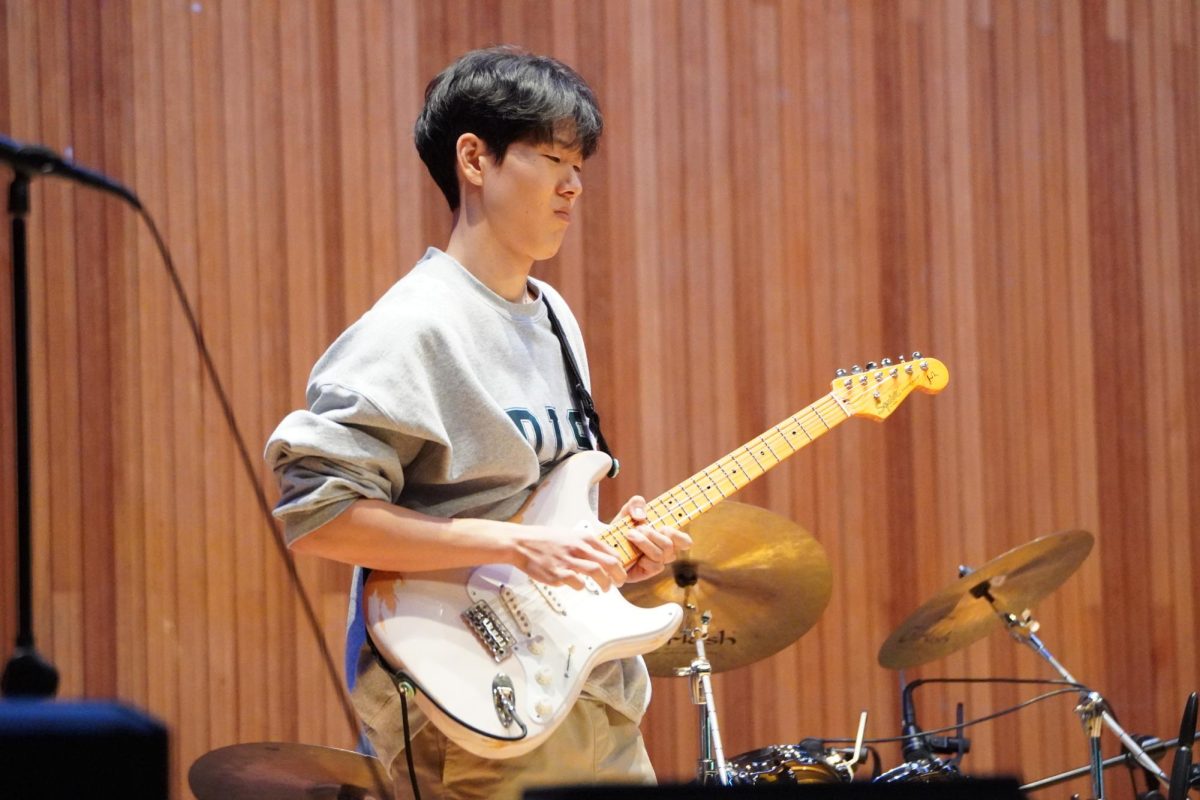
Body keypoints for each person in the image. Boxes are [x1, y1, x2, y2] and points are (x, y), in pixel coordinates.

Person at [264, 46, 691, 800]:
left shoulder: (554, 315)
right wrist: (520, 547)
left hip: (590, 701)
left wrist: (611, 553)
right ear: (475, 159)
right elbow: (318, 518)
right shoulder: (412, 328)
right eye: (554, 158)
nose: (573, 186)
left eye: (581, 166)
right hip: (472, 713)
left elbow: (540, 506)